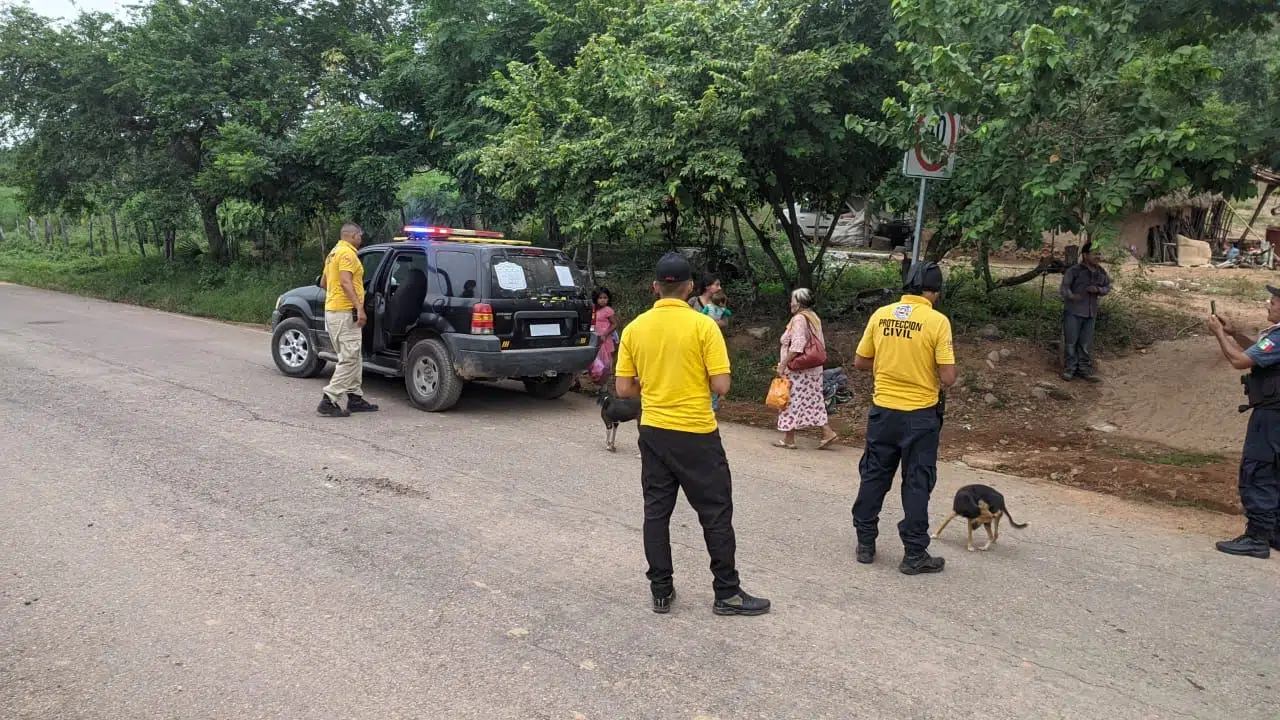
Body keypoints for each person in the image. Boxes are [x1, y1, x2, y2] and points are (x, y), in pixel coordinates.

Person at [615, 252, 770, 616]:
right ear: (688, 289)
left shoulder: (636, 328)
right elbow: (722, 384)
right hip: (697, 432)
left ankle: (661, 591)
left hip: (653, 430)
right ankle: (727, 593)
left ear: (655, 287)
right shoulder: (704, 327)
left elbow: (623, 390)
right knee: (715, 512)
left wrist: (653, 385)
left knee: (656, 511)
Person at [850, 261, 957, 575]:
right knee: (916, 482)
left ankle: (865, 543)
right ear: (934, 293)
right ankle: (913, 554)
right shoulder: (937, 321)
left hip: (883, 412)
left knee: (873, 475)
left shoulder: (881, 315)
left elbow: (860, 361)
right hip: (920, 417)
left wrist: (890, 366)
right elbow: (948, 377)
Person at [1207, 288, 1280, 559]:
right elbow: (1258, 353)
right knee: (1275, 472)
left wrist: (1219, 334)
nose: (1269, 305)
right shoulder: (1275, 337)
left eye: (1274, 302)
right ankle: (1274, 532)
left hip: (1271, 416)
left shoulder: (1279, 337)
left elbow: (1240, 360)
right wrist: (1232, 332)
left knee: (1258, 470)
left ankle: (1257, 538)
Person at [316, 223, 378, 418]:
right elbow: (345, 281)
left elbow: (324, 283)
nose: (361, 238)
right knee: (350, 358)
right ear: (351, 235)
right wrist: (359, 307)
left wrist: (337, 298)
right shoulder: (348, 254)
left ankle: (355, 398)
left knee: (352, 356)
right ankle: (329, 399)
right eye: (360, 235)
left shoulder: (333, 253)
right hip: (345, 313)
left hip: (333, 311)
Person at [773, 288, 839, 450]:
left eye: (792, 300)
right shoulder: (813, 316)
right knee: (813, 401)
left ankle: (789, 439)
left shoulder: (799, 319)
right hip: (812, 370)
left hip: (799, 369)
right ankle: (827, 432)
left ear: (798, 303)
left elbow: (797, 346)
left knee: (788, 400)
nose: (790, 303)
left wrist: (783, 364)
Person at [1059, 241, 1111, 382]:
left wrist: (1098, 290)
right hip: (1073, 312)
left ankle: (1084, 370)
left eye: (1099, 253)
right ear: (1085, 255)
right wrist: (1071, 296)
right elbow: (1064, 287)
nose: (1098, 256)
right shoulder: (1075, 271)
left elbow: (1107, 287)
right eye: (1095, 254)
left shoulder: (1101, 272)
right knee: (1071, 342)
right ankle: (1070, 369)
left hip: (1090, 312)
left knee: (1085, 343)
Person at [701, 289, 733, 413]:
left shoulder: (716, 309)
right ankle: (711, 405)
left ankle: (712, 405)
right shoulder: (712, 308)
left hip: (712, 337)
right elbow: (702, 315)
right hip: (712, 336)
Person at [589, 287, 617, 383]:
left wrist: (605, 334)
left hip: (605, 339)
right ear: (596, 299)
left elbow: (614, 324)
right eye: (600, 298)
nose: (603, 300)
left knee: (606, 362)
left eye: (605, 298)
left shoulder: (608, 310)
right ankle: (597, 382)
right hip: (594, 339)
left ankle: (605, 384)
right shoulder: (593, 310)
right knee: (595, 361)